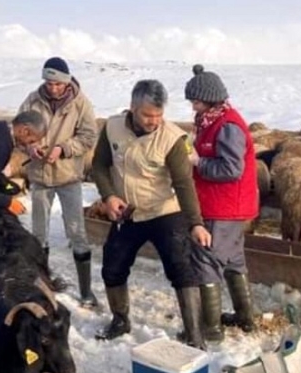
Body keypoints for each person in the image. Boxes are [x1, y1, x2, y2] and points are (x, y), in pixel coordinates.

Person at [91, 79, 215, 349]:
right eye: (148, 115)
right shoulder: (112, 127)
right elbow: (99, 165)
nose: (154, 121)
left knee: (182, 269)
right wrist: (109, 196)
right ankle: (120, 320)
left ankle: (194, 335)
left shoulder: (171, 138)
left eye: (159, 115)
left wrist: (195, 223)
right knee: (112, 267)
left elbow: (184, 183)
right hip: (128, 213)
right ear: (133, 108)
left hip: (164, 212)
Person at [184, 67, 259, 338]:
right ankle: (245, 318)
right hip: (228, 207)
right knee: (233, 260)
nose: (193, 105)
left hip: (223, 207)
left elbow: (231, 169)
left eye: (196, 101)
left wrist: (197, 162)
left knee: (207, 260)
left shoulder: (227, 126)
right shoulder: (211, 121)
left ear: (211, 99)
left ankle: (211, 328)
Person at [18, 57, 99, 308]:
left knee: (77, 231)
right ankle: (43, 285)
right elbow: (20, 130)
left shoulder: (81, 103)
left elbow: (88, 135)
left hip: (68, 176)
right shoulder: (32, 100)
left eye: (57, 83)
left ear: (66, 81)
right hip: (41, 177)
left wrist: (63, 149)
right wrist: (31, 147)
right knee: (39, 234)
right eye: (48, 82)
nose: (52, 88)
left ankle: (86, 292)